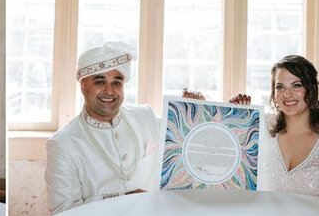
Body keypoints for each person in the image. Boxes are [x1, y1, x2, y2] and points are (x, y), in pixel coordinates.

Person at [45, 42, 203, 214]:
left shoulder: (146, 116)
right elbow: (62, 211)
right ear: (83, 86)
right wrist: (124, 199)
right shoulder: (62, 144)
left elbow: (188, 139)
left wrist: (198, 108)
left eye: (116, 83)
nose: (109, 91)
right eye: (100, 82)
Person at [230, 55, 319, 200]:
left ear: (312, 90)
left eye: (296, 85)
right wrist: (234, 111)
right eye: (280, 87)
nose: (287, 94)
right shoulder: (261, 129)